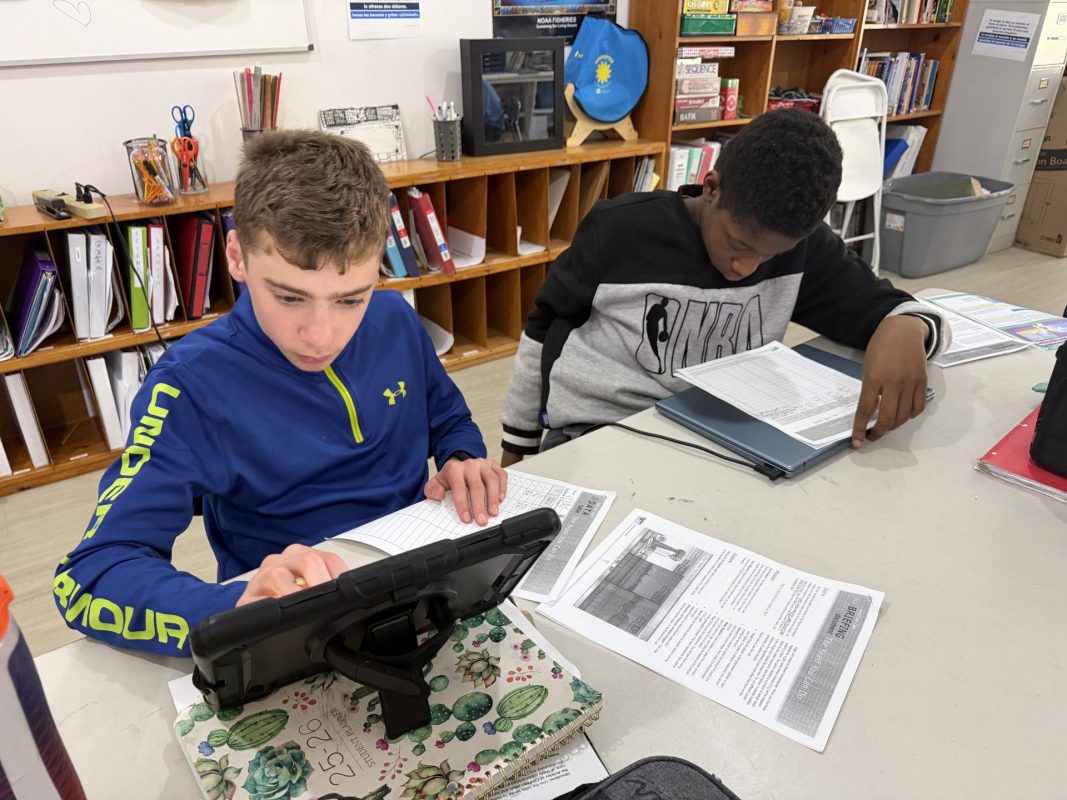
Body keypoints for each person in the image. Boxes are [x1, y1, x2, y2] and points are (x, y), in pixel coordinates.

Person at [52, 130, 507, 656]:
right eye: (289, 297)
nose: (321, 336)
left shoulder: (395, 321)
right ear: (237, 257)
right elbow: (90, 575)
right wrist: (233, 608)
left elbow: (447, 418)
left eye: (350, 299)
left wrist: (461, 457)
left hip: (422, 581)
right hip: (295, 621)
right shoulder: (190, 385)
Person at [500, 109, 950, 464]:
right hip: (600, 430)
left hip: (720, 435)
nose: (745, 267)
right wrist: (516, 449)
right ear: (711, 188)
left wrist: (908, 327)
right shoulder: (620, 230)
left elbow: (890, 307)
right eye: (738, 243)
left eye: (770, 256)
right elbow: (542, 329)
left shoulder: (802, 247)